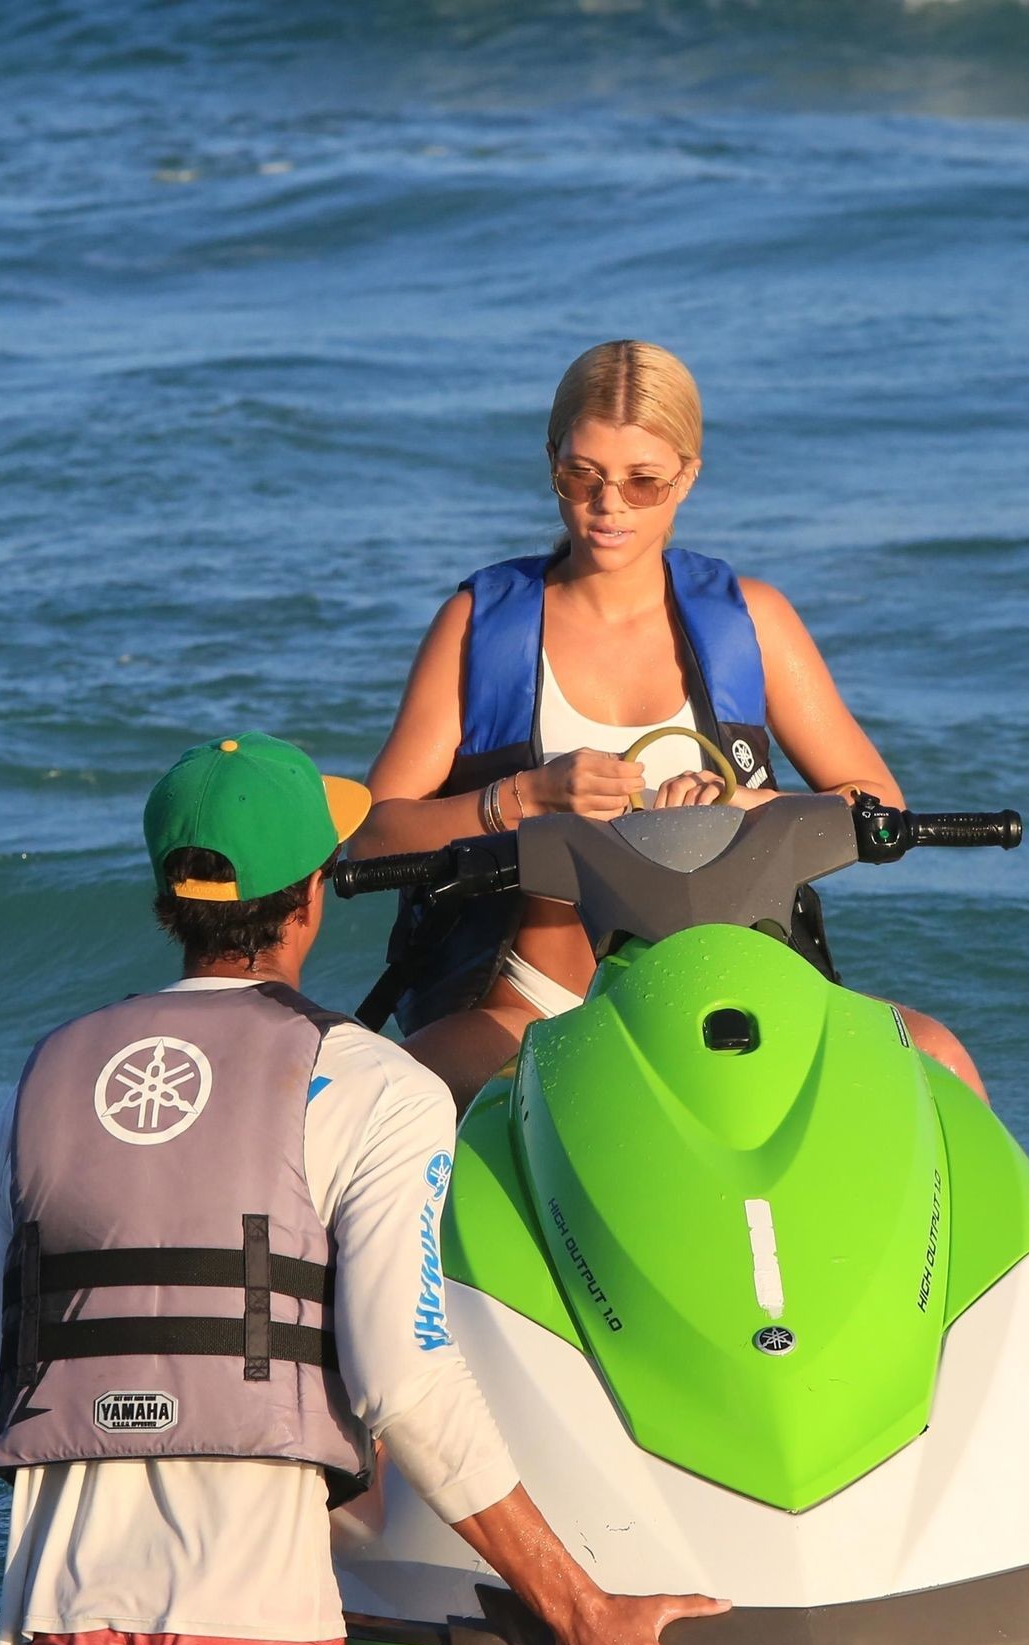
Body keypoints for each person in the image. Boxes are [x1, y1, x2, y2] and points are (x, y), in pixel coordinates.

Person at [0, 731, 726, 1645]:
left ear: (166, 899)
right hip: (253, 1622)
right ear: (311, 897)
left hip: (64, 1621)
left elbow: (33, 1345)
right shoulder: (374, 1081)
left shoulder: (42, 1075)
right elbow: (403, 1380)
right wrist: (580, 1612)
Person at [349, 339, 987, 1113]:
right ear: (550, 462)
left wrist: (740, 807)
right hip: (535, 1006)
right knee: (385, 1099)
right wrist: (524, 797)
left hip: (741, 987)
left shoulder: (753, 620)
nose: (608, 505)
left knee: (940, 1058)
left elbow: (877, 811)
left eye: (643, 481)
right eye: (581, 475)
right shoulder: (477, 625)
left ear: (687, 476)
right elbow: (372, 837)